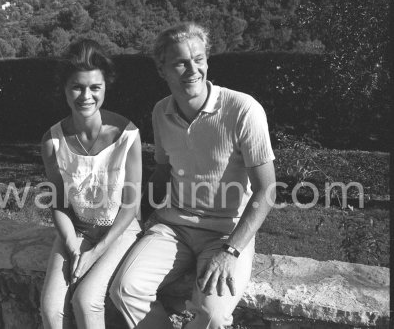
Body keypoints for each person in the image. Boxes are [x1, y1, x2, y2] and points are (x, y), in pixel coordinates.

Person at [110, 22, 276, 329]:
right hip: (173, 228)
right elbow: (162, 172)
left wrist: (231, 250)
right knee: (125, 290)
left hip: (226, 233)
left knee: (212, 314)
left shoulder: (243, 110)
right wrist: (138, 220)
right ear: (161, 69)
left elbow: (267, 190)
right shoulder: (161, 112)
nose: (193, 69)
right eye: (181, 63)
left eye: (199, 59)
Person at [39, 39, 142, 329]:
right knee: (50, 311)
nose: (86, 95)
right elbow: (58, 203)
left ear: (105, 87)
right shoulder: (52, 140)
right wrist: (73, 248)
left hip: (119, 231)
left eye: (95, 87)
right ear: (64, 89)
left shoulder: (127, 134)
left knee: (86, 301)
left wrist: (95, 253)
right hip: (77, 230)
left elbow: (131, 205)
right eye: (77, 87)